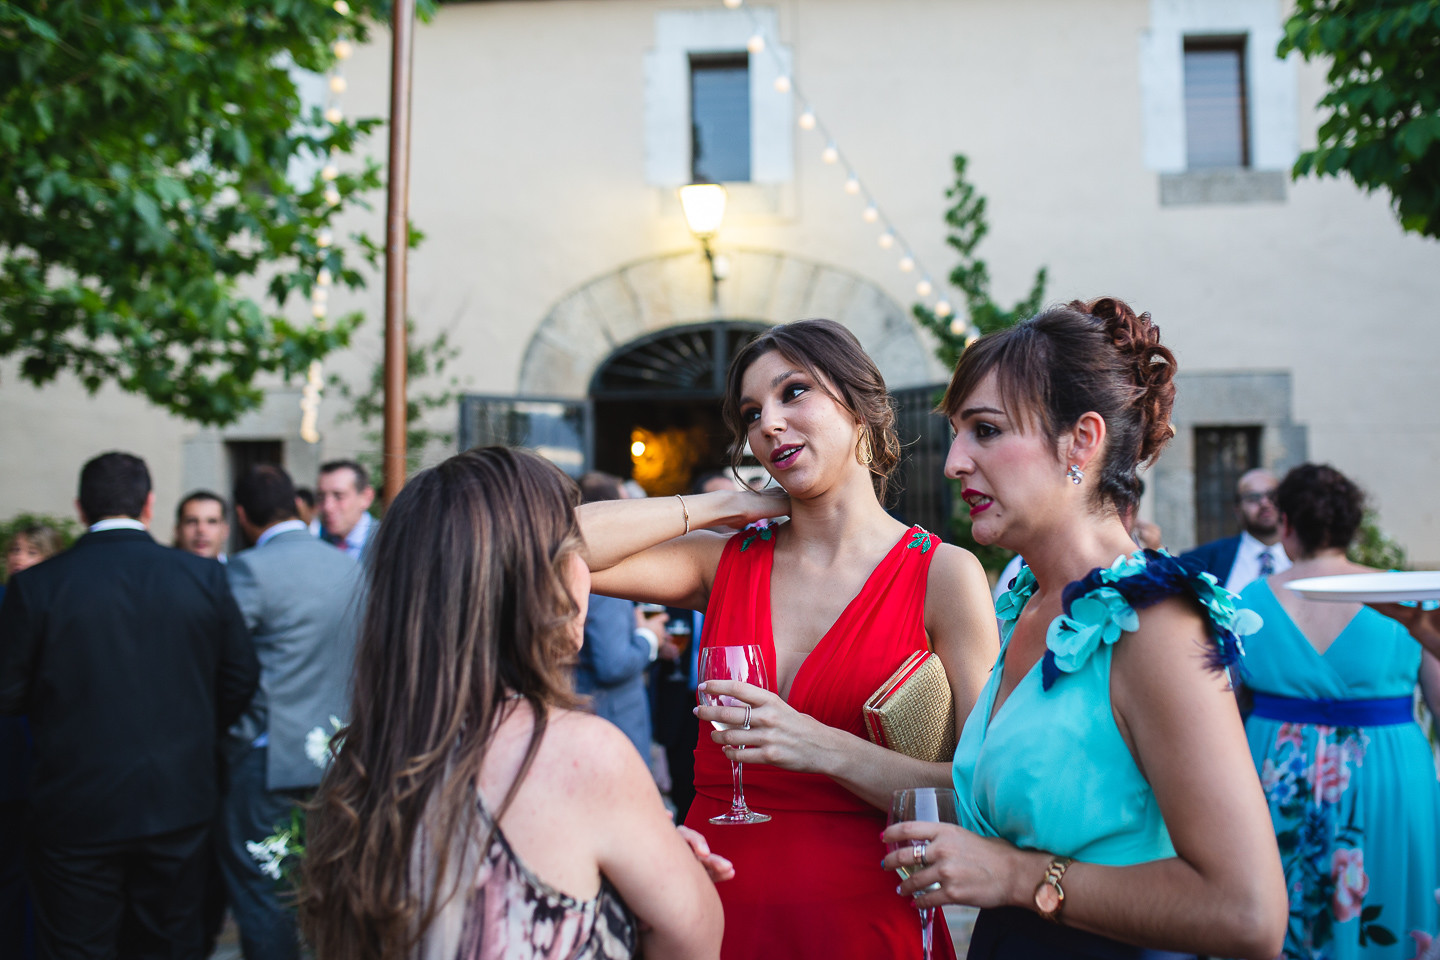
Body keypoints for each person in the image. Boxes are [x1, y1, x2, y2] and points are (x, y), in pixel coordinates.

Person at [578, 318, 1000, 960]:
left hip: (864, 919)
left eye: (793, 392)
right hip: (710, 908)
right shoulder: (723, 562)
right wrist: (723, 508)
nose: (767, 423)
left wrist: (820, 748)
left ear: (862, 407)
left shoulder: (942, 575)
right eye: (752, 412)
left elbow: (982, 794)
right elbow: (544, 544)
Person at [883, 299, 1287, 960]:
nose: (954, 461)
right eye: (957, 433)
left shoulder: (1153, 625)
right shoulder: (1027, 604)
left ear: (1082, 441)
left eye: (984, 430)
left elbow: (1249, 915)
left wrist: (1014, 877)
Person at [298, 447, 724, 960]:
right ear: (539, 583)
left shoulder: (363, 757)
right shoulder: (577, 754)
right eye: (576, 553)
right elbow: (693, 943)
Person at [0, 451, 259, 959]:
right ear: (149, 504)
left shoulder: (37, 586)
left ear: (80, 508)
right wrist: (194, 732)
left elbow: (8, 691)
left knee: (77, 946)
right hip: (177, 796)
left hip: (74, 801)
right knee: (169, 944)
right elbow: (241, 676)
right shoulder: (200, 577)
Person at [1236, 463, 1440, 959]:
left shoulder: (1246, 602)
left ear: (1286, 524)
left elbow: (1230, 710)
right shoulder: (1408, 598)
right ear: (1353, 526)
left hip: (1273, 776)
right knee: (1389, 909)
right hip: (1389, 775)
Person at [219, 466, 363, 960]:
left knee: (264, 896)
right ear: (298, 506)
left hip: (268, 756)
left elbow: (224, 661)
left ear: (241, 514)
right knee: (332, 892)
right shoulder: (348, 565)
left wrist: (234, 737)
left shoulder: (248, 570)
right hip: (339, 755)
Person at [652, 471, 744, 823]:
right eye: (721, 508)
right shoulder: (678, 574)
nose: (731, 516)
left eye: (734, 504)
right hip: (681, 707)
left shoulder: (757, 571)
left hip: (732, 712)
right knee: (684, 795)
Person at [0, 521, 63, 960]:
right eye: (16, 550)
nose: (20, 559)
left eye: (32, 552)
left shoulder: (52, 606)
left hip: (40, 754)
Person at [573, 471, 664, 761]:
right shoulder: (602, 582)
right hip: (613, 722)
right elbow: (612, 665)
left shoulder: (575, 568)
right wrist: (650, 638)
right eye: (627, 505)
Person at [1181, 467, 1291, 593]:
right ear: (1238, 510)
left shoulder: (1307, 558)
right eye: (1253, 497)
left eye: (1272, 496)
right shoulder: (1202, 560)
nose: (1265, 503)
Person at [316, 459, 376, 562]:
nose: (327, 507)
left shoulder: (388, 542)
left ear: (366, 497)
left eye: (339, 496)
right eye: (321, 497)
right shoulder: (317, 543)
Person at [174, 489, 231, 561]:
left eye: (211, 522)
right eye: (192, 521)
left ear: (225, 530)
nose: (201, 529)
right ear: (177, 530)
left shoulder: (236, 571)